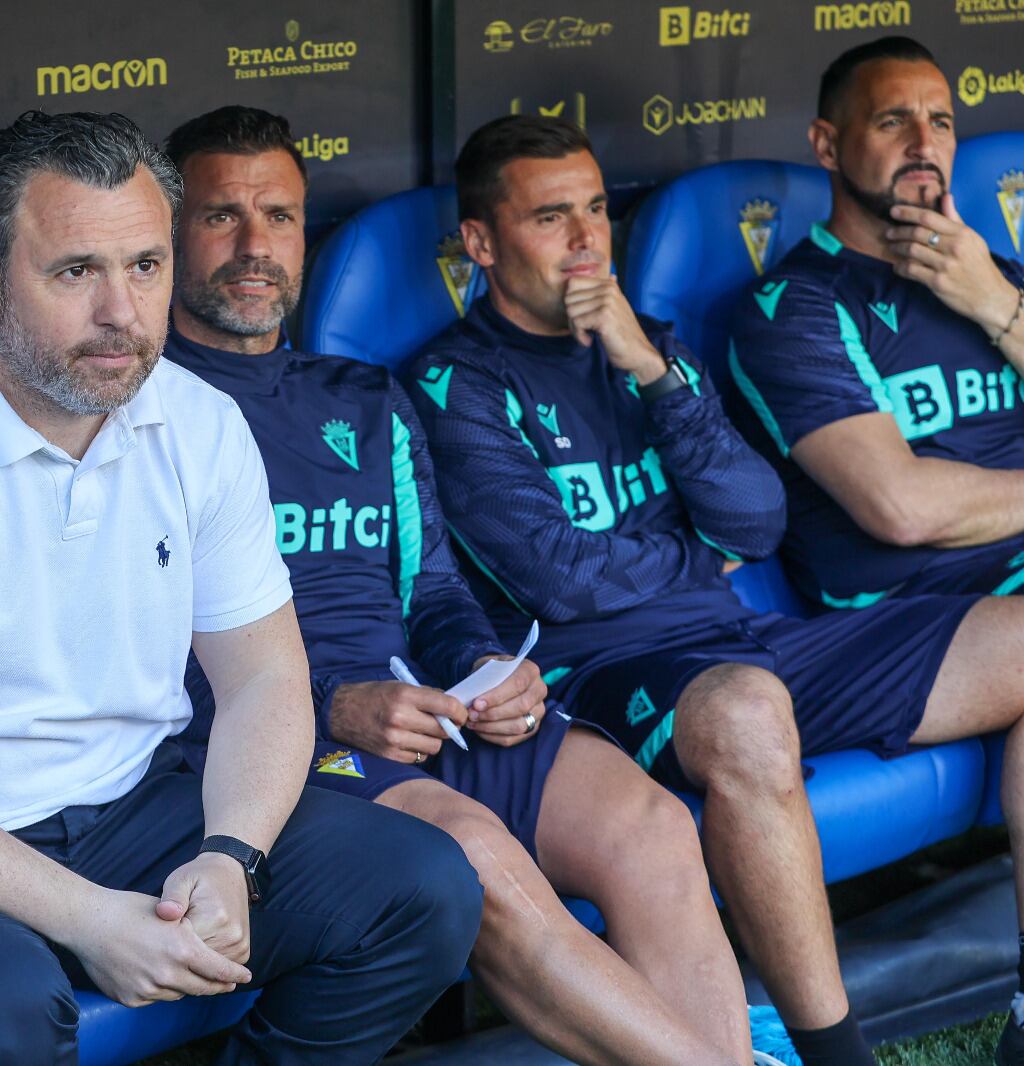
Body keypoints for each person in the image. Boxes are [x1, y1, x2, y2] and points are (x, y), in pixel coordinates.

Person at [0, 110, 482, 1066]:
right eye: (74, 272)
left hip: (128, 805)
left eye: (144, 267)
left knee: (423, 886)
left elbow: (264, 679)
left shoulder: (200, 426)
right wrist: (94, 921)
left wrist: (231, 854)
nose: (121, 313)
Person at [406, 112, 1024, 1066]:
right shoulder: (455, 382)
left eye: (597, 212)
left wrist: (650, 371)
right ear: (481, 244)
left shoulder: (648, 350)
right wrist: (695, 556)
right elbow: (557, 578)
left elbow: (755, 520)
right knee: (745, 712)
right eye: (549, 218)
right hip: (609, 677)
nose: (584, 242)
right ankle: (837, 1052)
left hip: (745, 644)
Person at [163, 105, 755, 1066]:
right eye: (220, 216)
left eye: (278, 216)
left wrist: (483, 664)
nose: (254, 244)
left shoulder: (359, 396)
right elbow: (123, 655)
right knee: (475, 855)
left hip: (429, 711)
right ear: (167, 233)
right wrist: (333, 705)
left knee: (647, 827)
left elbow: (432, 588)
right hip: (268, 743)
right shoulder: (140, 413)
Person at [728, 36, 1024, 608]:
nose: (923, 144)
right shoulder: (792, 306)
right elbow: (903, 508)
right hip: (918, 607)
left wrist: (996, 305)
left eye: (940, 122)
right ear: (828, 146)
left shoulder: (996, 275)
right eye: (893, 121)